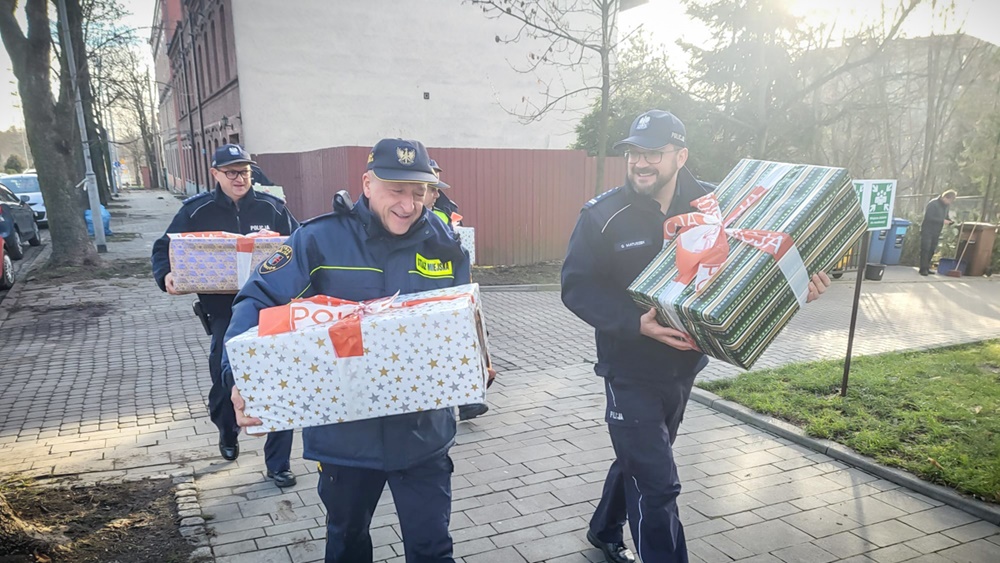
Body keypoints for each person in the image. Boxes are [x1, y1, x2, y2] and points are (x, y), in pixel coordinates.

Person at [561, 110, 831, 563]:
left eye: (652, 153)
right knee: (657, 483)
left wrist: (799, 282)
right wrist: (634, 323)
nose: (640, 163)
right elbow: (577, 287)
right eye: (633, 153)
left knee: (642, 460)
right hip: (627, 368)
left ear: (681, 155)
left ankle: (604, 529)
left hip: (684, 365)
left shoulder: (717, 203)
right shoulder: (603, 216)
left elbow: (751, 263)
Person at [222, 138, 490, 563]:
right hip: (344, 441)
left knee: (433, 549)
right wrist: (239, 379)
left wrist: (475, 363)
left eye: (418, 193)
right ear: (367, 183)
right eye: (396, 190)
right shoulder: (319, 239)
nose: (408, 204)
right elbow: (256, 301)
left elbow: (460, 317)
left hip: (423, 436)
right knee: (347, 541)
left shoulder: (444, 242)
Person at [151, 144, 299, 488]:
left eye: (245, 171)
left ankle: (278, 463)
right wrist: (166, 275)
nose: (239, 178)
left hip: (270, 309)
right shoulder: (196, 210)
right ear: (215, 174)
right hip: (222, 313)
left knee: (279, 380)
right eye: (231, 172)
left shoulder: (271, 207)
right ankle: (227, 430)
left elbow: (301, 242)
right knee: (223, 381)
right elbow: (164, 246)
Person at [425, 159, 490, 422]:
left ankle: (467, 401)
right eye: (432, 186)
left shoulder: (441, 212)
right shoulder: (433, 216)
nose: (437, 192)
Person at [919, 189, 956, 276]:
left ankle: (927, 267)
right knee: (925, 249)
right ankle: (923, 268)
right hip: (927, 230)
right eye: (949, 200)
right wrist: (942, 221)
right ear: (945, 197)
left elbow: (946, 216)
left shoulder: (946, 206)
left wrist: (950, 221)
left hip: (937, 230)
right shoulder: (933, 204)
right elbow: (929, 217)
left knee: (932, 249)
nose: (949, 203)